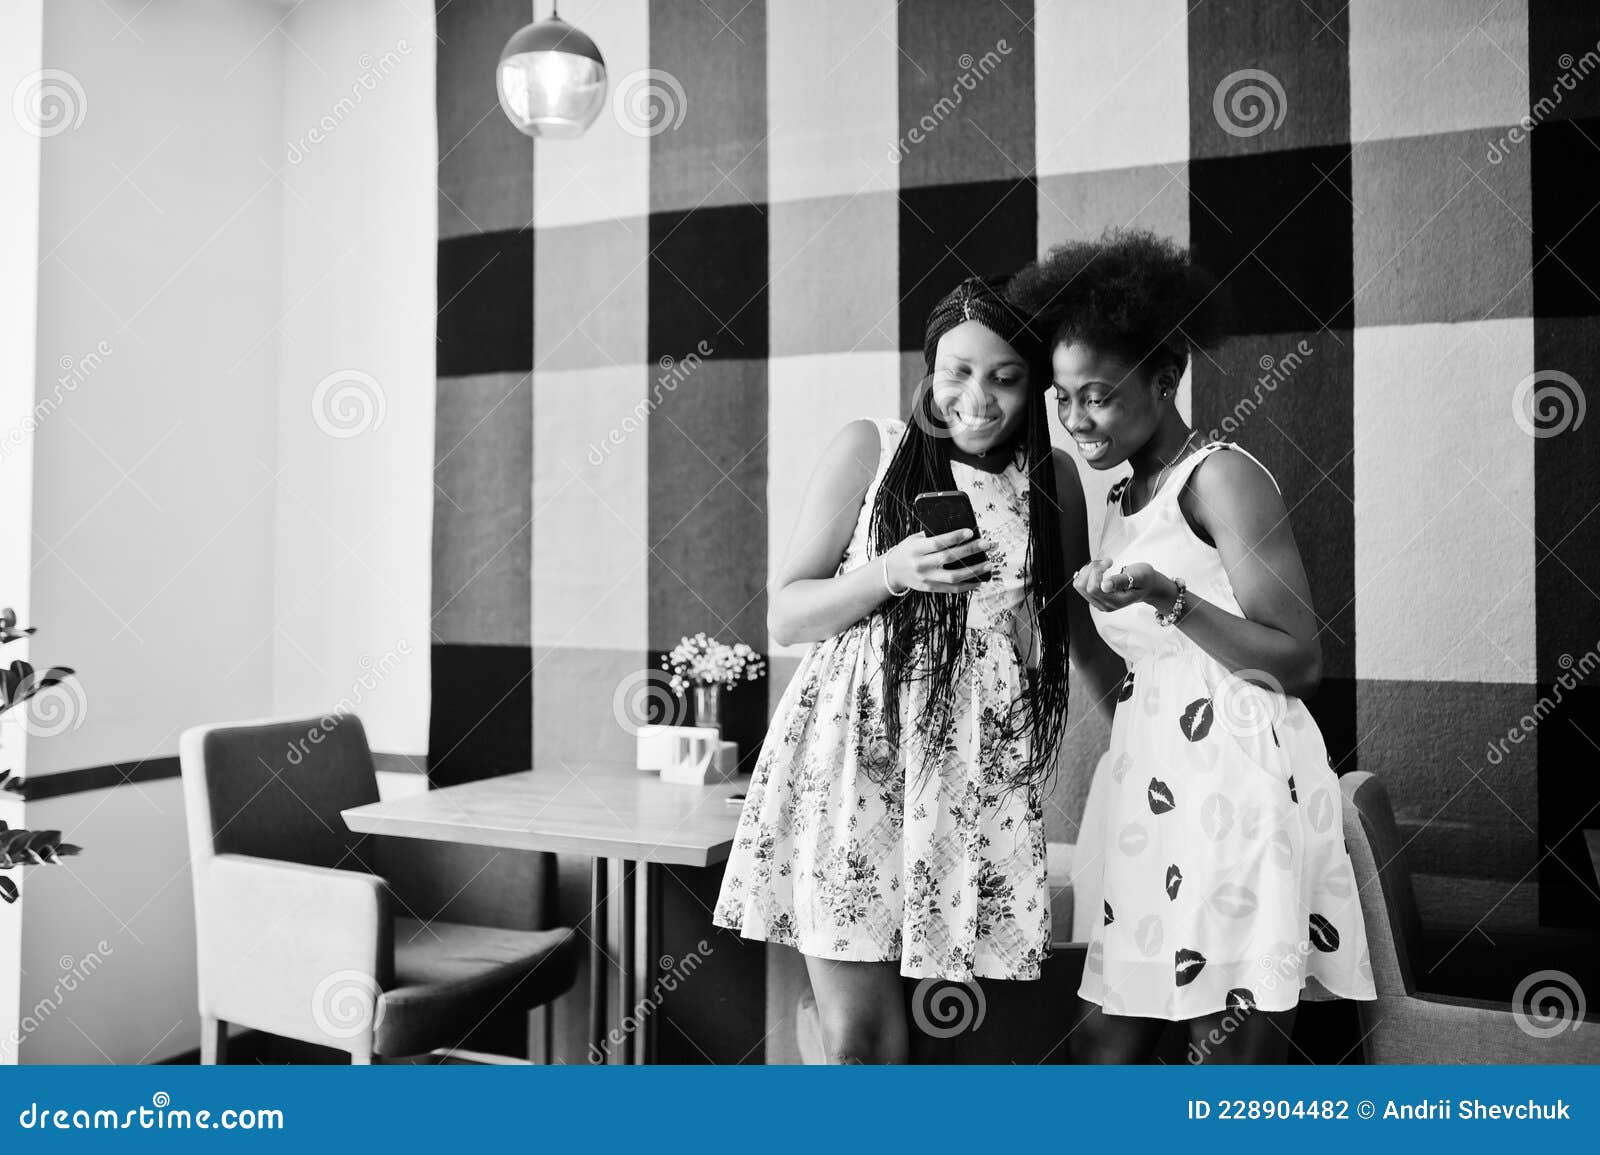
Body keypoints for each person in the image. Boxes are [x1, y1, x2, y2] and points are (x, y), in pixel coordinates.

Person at [712, 274, 1120, 1064]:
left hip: (973, 783)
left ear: (1033, 384)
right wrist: (892, 572)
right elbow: (787, 613)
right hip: (855, 768)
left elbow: (1074, 631)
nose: (980, 397)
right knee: (860, 1040)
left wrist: (1152, 727)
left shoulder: (1054, 478)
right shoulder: (871, 445)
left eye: (1006, 376)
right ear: (929, 371)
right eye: (958, 371)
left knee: (957, 1034)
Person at [1008, 230, 1376, 1063]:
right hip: (1153, 784)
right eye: (1062, 399)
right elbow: (1131, 667)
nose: (1076, 419)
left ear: (1165, 377)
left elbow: (1297, 659)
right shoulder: (1121, 494)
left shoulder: (1220, 475)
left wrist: (1169, 597)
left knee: (1231, 1040)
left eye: (1096, 395)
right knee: (1110, 1034)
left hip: (1238, 780)